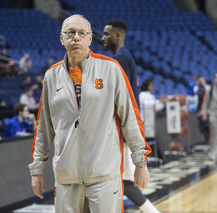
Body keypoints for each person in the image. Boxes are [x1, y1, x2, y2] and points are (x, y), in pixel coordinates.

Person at [29, 15, 151, 213]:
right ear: (62, 38)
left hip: (105, 176)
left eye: (82, 33)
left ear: (89, 38)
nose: (76, 38)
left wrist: (140, 161)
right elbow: (44, 127)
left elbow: (130, 117)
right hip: (66, 178)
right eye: (70, 33)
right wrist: (36, 169)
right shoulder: (51, 76)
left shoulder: (111, 69)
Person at [102, 20, 162, 213]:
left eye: (106, 34)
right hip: (126, 126)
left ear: (118, 36)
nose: (102, 38)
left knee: (121, 181)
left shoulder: (120, 58)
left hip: (123, 128)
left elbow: (118, 97)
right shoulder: (126, 56)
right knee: (116, 180)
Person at [202, 73, 217, 161]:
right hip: (213, 115)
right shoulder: (210, 90)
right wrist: (204, 113)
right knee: (214, 135)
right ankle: (213, 154)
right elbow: (206, 103)